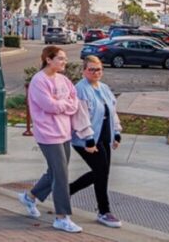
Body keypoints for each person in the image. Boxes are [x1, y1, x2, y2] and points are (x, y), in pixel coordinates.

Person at [19, 46, 89, 234]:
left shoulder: (64, 80)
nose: (64, 62)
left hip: (64, 132)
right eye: (60, 58)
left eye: (64, 58)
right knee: (61, 175)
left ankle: (30, 197)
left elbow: (74, 102)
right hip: (48, 134)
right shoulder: (39, 81)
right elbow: (49, 105)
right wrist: (64, 105)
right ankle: (62, 217)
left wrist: (62, 105)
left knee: (56, 172)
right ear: (48, 60)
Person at [70, 56, 124, 228]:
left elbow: (112, 111)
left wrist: (116, 132)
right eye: (91, 69)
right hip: (87, 139)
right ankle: (104, 211)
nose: (95, 72)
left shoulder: (105, 88)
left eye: (98, 69)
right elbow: (81, 117)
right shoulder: (81, 89)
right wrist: (89, 139)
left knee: (102, 172)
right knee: (101, 172)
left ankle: (67, 191)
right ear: (84, 70)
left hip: (104, 136)